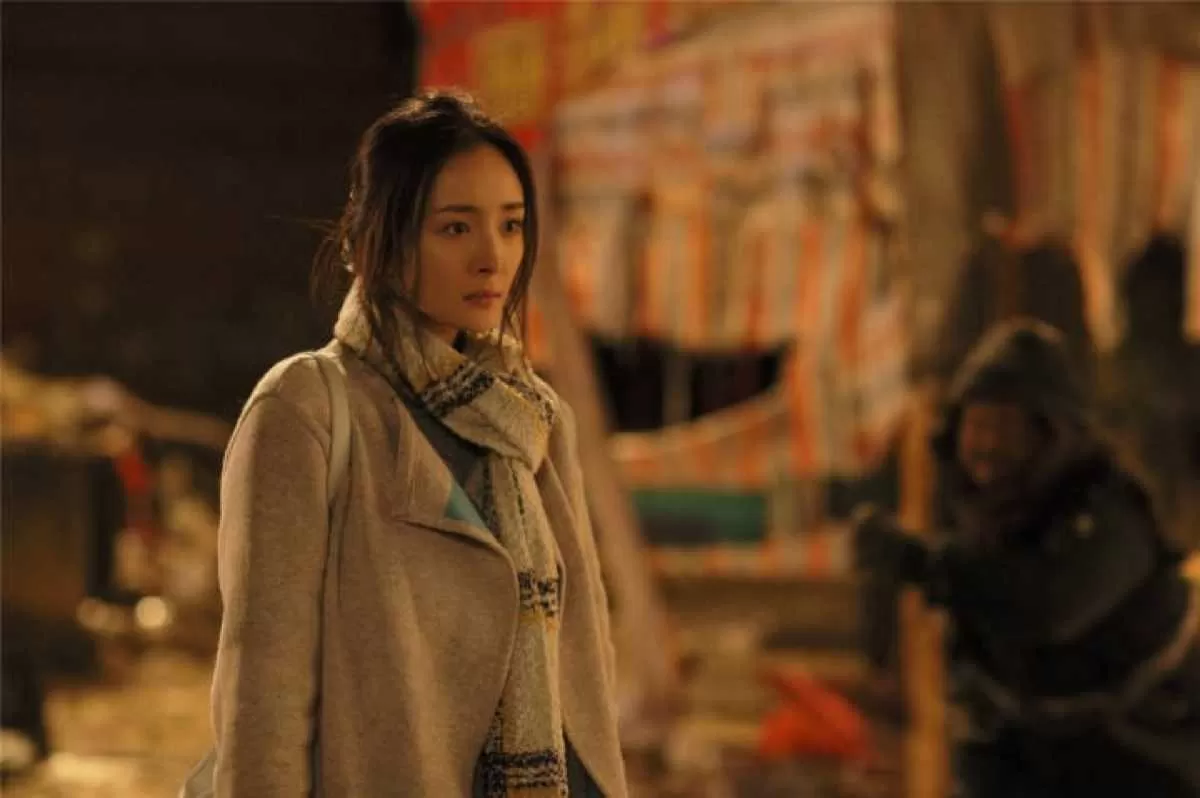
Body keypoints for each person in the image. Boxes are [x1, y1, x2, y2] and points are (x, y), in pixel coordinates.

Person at [209, 90, 625, 797]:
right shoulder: (307, 408)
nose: (493, 258)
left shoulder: (534, 417)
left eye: (512, 225)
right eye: (456, 228)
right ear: (379, 238)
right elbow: (265, 696)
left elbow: (586, 663)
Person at [853, 319, 1200, 798]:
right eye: (977, 427)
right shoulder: (987, 521)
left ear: (1049, 434)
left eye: (1006, 429)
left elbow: (1047, 607)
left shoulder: (1110, 513)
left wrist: (924, 563)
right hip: (1030, 756)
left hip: (1142, 755)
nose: (987, 447)